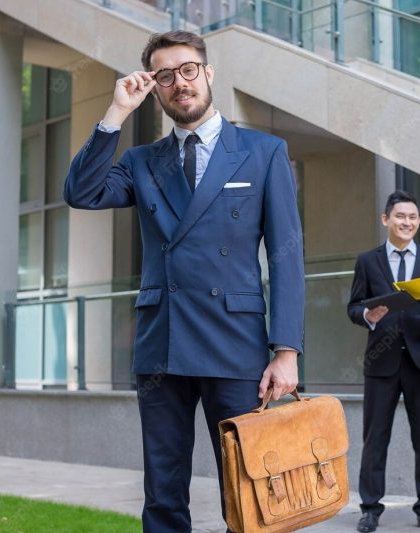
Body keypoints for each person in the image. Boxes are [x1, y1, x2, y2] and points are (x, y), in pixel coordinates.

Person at [63, 31, 305, 532]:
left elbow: (286, 258)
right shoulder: (140, 161)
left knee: (248, 490)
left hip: (237, 346)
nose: (179, 83)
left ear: (208, 73)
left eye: (188, 69)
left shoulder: (263, 152)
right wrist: (114, 114)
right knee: (163, 492)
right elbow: (81, 193)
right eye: (165, 76)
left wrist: (286, 350)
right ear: (154, 88)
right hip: (163, 344)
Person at [347, 191, 420, 533]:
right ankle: (370, 509)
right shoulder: (368, 261)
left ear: (418, 222)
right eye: (400, 216)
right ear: (386, 219)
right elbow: (353, 307)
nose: (406, 222)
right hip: (381, 362)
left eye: (412, 217)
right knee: (375, 438)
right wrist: (367, 313)